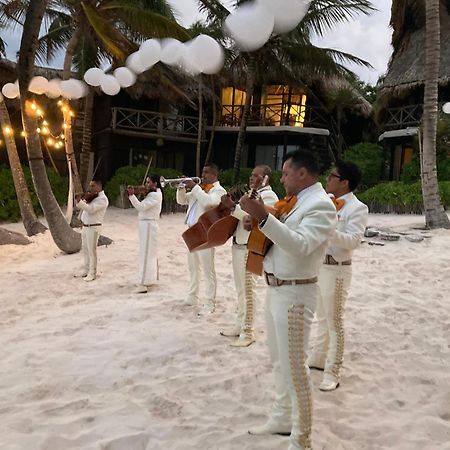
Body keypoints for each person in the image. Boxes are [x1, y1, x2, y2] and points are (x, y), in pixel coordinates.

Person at [240, 150, 337, 450]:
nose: (281, 179)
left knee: (296, 367)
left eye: (284, 173)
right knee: (279, 361)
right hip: (277, 289)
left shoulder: (321, 205)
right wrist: (259, 221)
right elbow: (280, 235)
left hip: (296, 293)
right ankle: (283, 417)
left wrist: (262, 218)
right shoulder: (295, 203)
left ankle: (302, 438)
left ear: (303, 173)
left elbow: (301, 245)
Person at [307, 160, 368, 391]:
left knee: (335, 321)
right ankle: (319, 357)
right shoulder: (326, 203)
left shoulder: (357, 208)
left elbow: (353, 241)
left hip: (338, 268)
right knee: (321, 316)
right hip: (320, 266)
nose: (327, 179)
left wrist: (329, 231)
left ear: (344, 182)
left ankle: (334, 369)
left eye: (332, 176)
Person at [220, 165, 278, 347]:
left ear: (266, 179)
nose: (251, 178)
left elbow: (250, 214)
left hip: (250, 246)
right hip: (239, 244)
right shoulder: (251, 194)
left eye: (256, 176)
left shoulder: (268, 196)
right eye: (251, 175)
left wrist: (232, 207)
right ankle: (240, 324)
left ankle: (248, 331)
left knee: (248, 290)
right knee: (240, 289)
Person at [176, 163, 226, 315]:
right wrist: (181, 188)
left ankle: (209, 303)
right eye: (202, 172)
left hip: (206, 232)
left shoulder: (219, 190)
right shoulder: (200, 189)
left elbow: (209, 203)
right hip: (192, 231)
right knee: (193, 267)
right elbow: (181, 200)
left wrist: (195, 187)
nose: (202, 175)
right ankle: (192, 296)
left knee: (207, 270)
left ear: (214, 175)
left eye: (206, 173)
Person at [127, 175, 163, 294]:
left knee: (146, 254)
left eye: (148, 182)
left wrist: (132, 195)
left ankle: (143, 283)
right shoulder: (153, 194)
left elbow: (140, 207)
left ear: (155, 184)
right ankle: (149, 279)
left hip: (148, 225)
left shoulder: (155, 195)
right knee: (149, 254)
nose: (146, 185)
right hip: (146, 225)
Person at [74, 179, 109, 282]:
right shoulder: (92, 197)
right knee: (85, 249)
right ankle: (86, 269)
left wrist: (80, 201)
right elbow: (80, 205)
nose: (91, 188)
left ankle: (92, 273)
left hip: (94, 227)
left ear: (99, 186)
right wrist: (80, 201)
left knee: (91, 251)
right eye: (90, 186)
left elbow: (91, 209)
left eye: (93, 186)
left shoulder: (102, 199)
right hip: (85, 226)